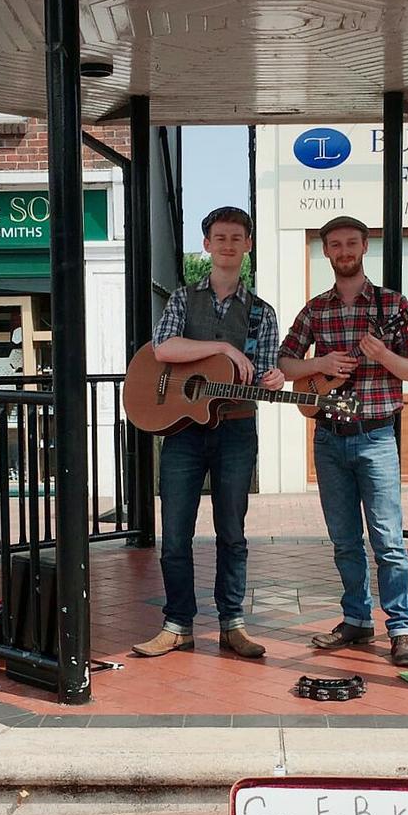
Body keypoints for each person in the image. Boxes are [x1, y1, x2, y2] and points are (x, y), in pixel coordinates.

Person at [132, 206, 284, 659]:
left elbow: (264, 371)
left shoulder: (262, 313)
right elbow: (163, 347)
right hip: (182, 430)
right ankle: (177, 624)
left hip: (236, 430)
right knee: (175, 533)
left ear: (248, 245)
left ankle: (231, 624)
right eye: (220, 237)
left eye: (237, 237)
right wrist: (219, 346)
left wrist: (272, 380)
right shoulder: (182, 298)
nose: (228, 245)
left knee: (232, 534)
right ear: (207, 244)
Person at [278, 215, 408, 668]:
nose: (344, 251)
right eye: (335, 245)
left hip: (376, 436)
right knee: (344, 540)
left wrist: (382, 354)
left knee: (388, 540)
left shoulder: (392, 305)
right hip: (328, 438)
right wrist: (320, 361)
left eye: (351, 243)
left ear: (364, 247)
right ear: (326, 252)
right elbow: (284, 362)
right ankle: (356, 620)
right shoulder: (315, 309)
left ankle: (401, 628)